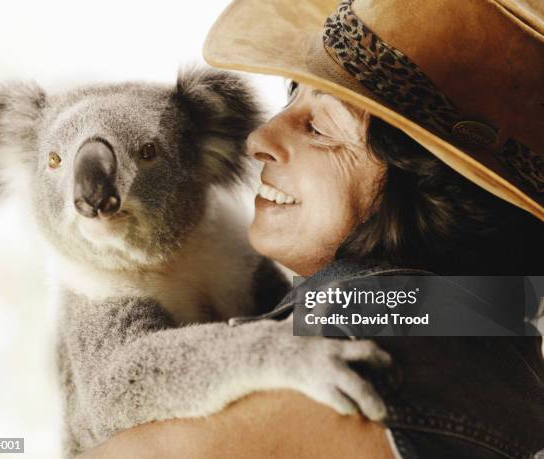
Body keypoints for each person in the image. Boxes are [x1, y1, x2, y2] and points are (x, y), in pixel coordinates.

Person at [79, 0, 544, 457]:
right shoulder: (484, 328)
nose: (259, 138)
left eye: (320, 128)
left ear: (429, 190)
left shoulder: (370, 345)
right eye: (290, 96)